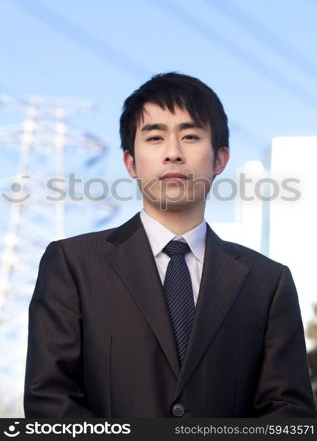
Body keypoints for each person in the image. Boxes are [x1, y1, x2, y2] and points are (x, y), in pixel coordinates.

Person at [24, 72, 316, 418]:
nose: (173, 153)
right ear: (130, 162)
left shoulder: (267, 281)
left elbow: (289, 411)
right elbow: (49, 400)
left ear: (220, 159)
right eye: (155, 137)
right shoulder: (72, 264)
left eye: (191, 136)